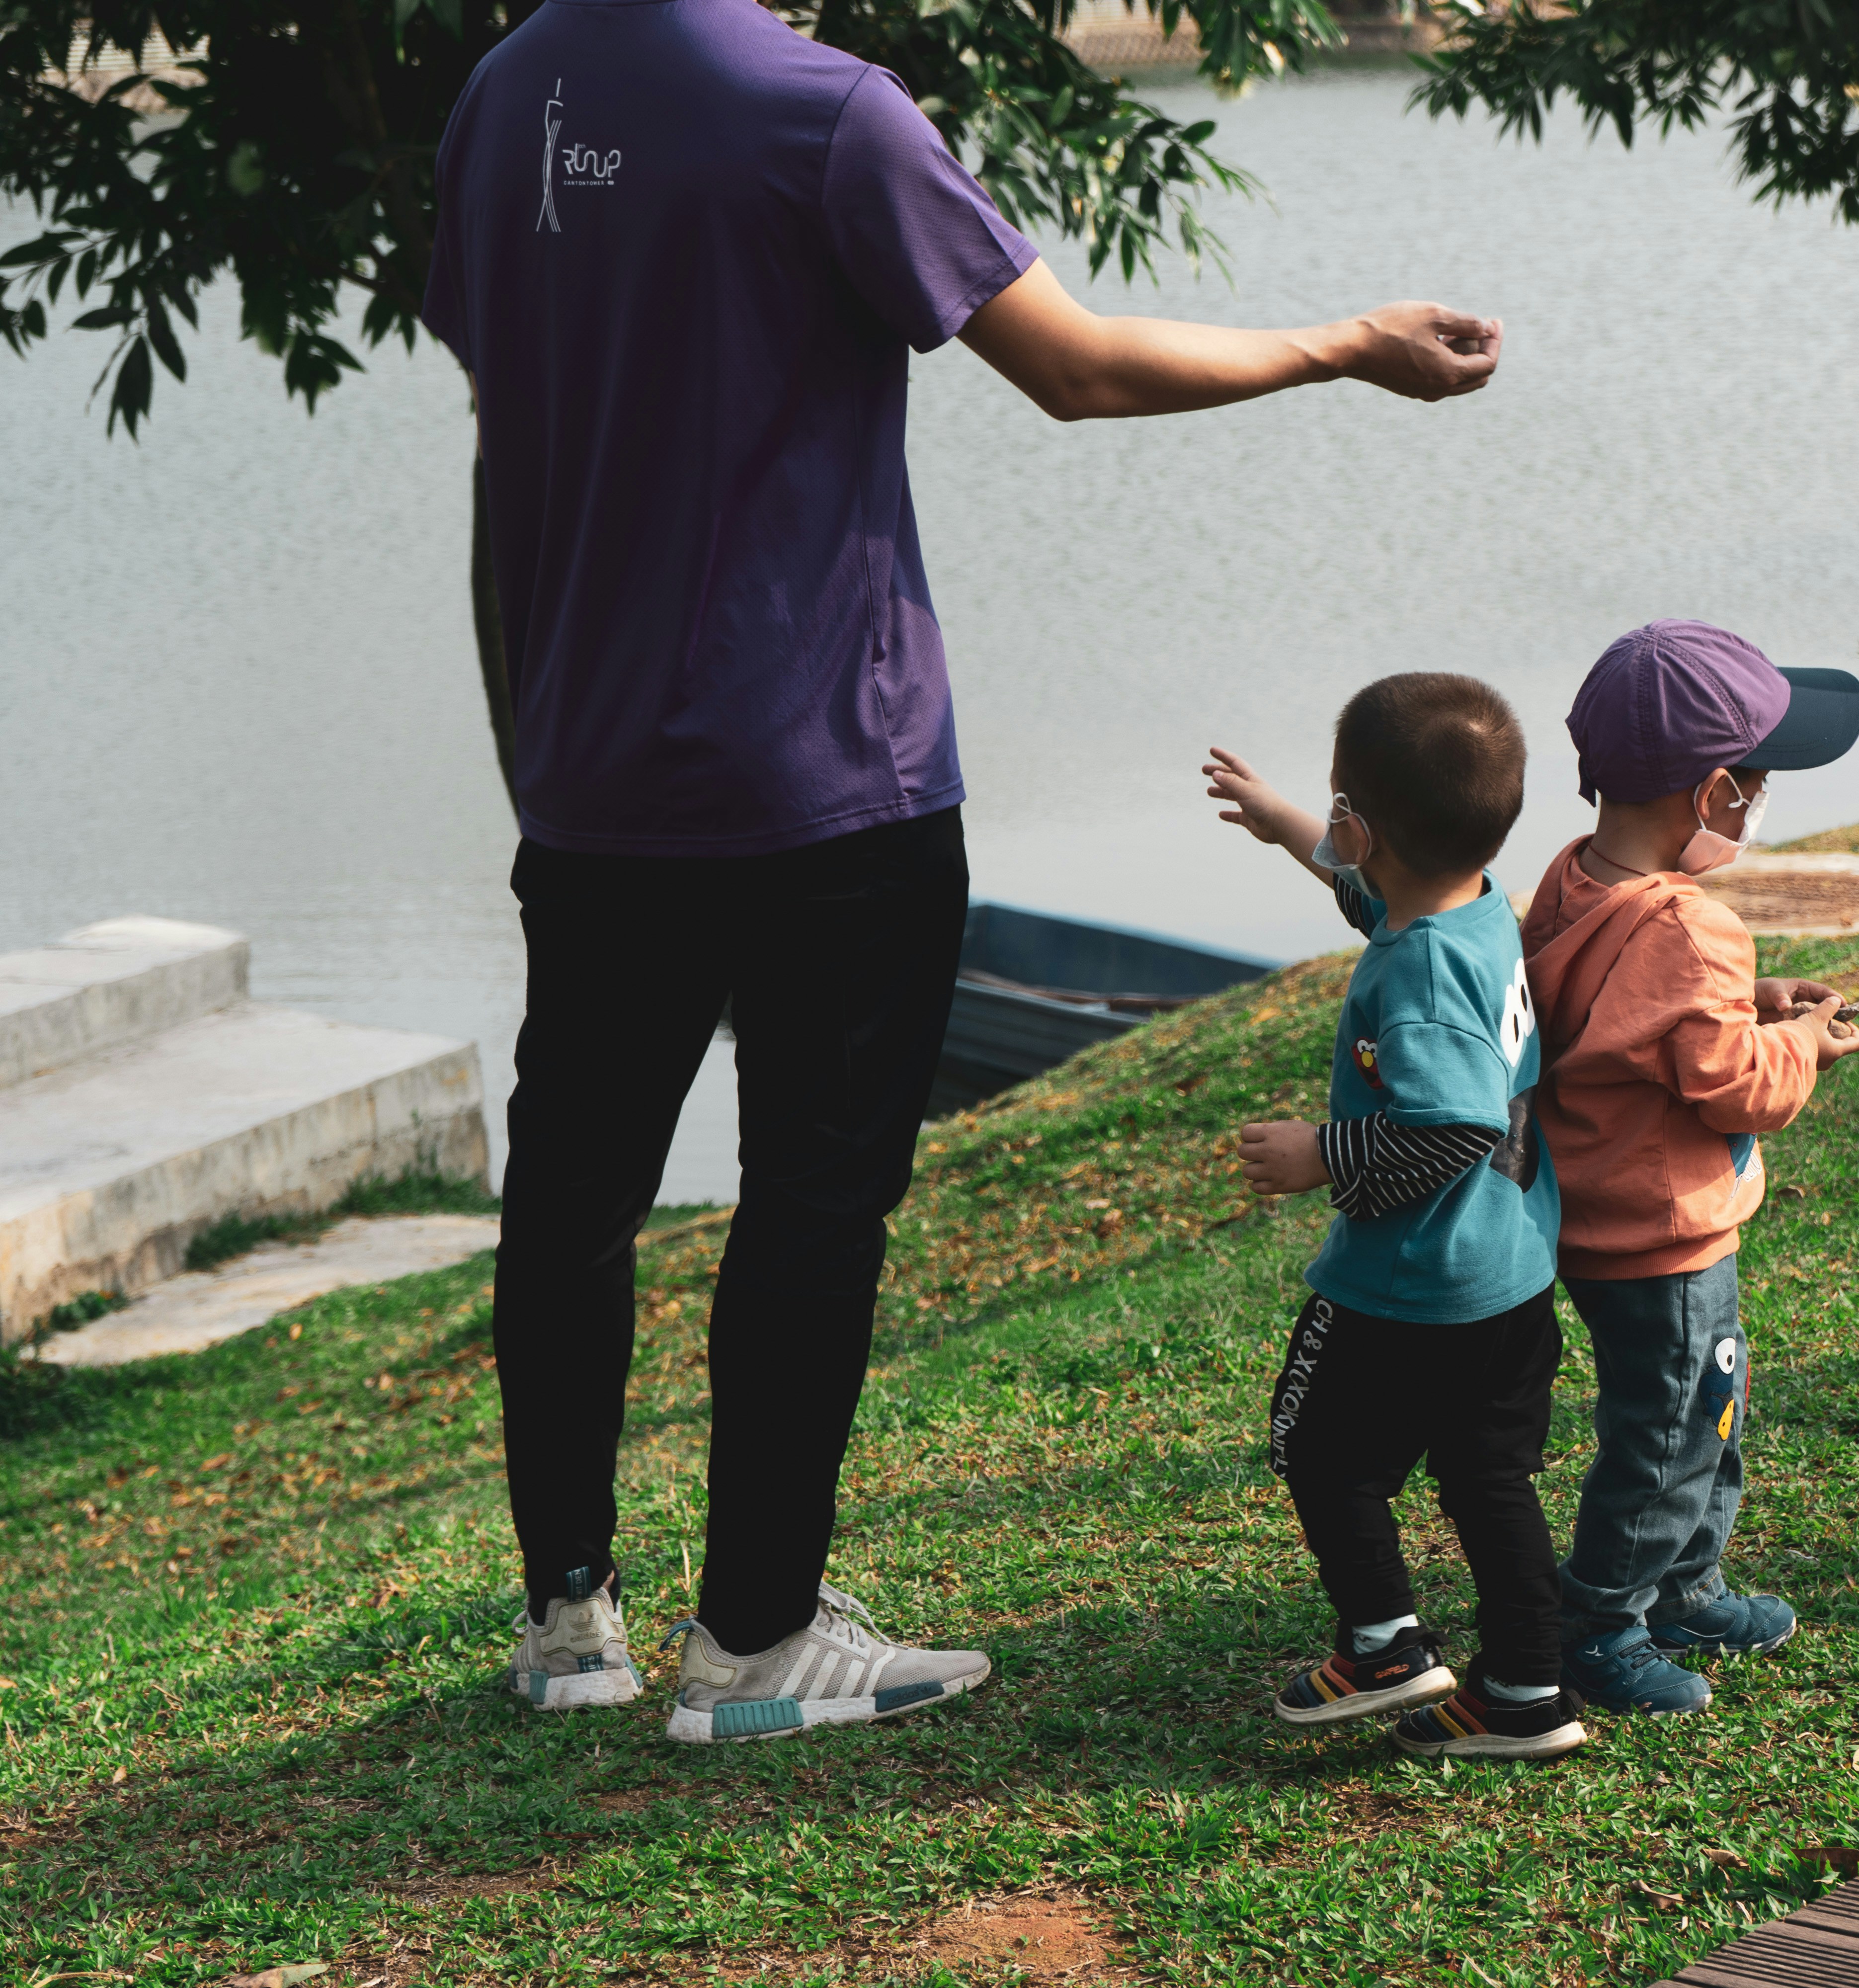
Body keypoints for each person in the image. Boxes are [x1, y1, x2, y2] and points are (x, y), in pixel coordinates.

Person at [422, 0, 1506, 1739]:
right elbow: (1075, 368)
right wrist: (1344, 344)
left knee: (570, 1204)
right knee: (812, 1206)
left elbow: (514, 425)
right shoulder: (827, 114)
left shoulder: (501, 94)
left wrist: (534, 741)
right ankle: (757, 1642)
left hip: (593, 784)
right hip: (822, 783)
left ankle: (572, 1624)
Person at [1200, 678, 1588, 1762]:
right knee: (1485, 1480)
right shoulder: (1471, 909)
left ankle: (1383, 1642)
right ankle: (1526, 1686)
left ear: (1363, 827)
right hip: (1509, 1274)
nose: (1326, 829)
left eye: (1333, 812)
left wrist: (1317, 1153)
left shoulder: (1416, 978)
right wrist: (1284, 819)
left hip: (1412, 1285)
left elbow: (1455, 1120)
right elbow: (1371, 893)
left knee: (1316, 1445)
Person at [1516, 623, 1859, 1716]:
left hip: (1596, 1218)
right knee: (1671, 1427)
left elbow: (1631, 1024)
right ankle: (1604, 1621)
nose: (1763, 804)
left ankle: (1688, 1585)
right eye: (1758, 783)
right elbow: (1737, 1089)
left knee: (1703, 1406)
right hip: (1665, 1238)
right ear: (1716, 794)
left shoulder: (1573, 878)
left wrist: (1747, 1003)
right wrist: (1803, 1041)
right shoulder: (1696, 925)